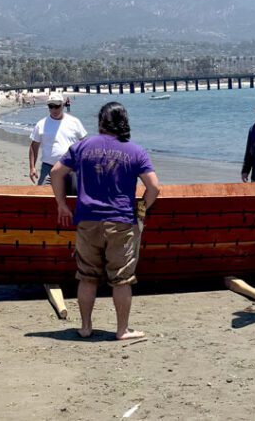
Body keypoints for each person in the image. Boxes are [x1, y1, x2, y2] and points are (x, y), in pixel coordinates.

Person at [49, 102, 160, 340]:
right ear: (124, 122)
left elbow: (56, 172)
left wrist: (61, 204)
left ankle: (86, 327)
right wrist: (142, 209)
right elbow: (154, 187)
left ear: (101, 121)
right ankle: (122, 330)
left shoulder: (82, 146)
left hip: (87, 219)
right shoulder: (135, 151)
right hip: (120, 221)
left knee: (87, 276)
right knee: (121, 279)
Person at [29, 92, 86, 185]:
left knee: (73, 198)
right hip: (48, 169)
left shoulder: (74, 122)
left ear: (63, 105)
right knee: (44, 197)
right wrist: (32, 167)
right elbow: (33, 146)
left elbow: (84, 144)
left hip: (71, 168)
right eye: (51, 106)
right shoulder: (41, 124)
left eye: (57, 106)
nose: (54, 109)